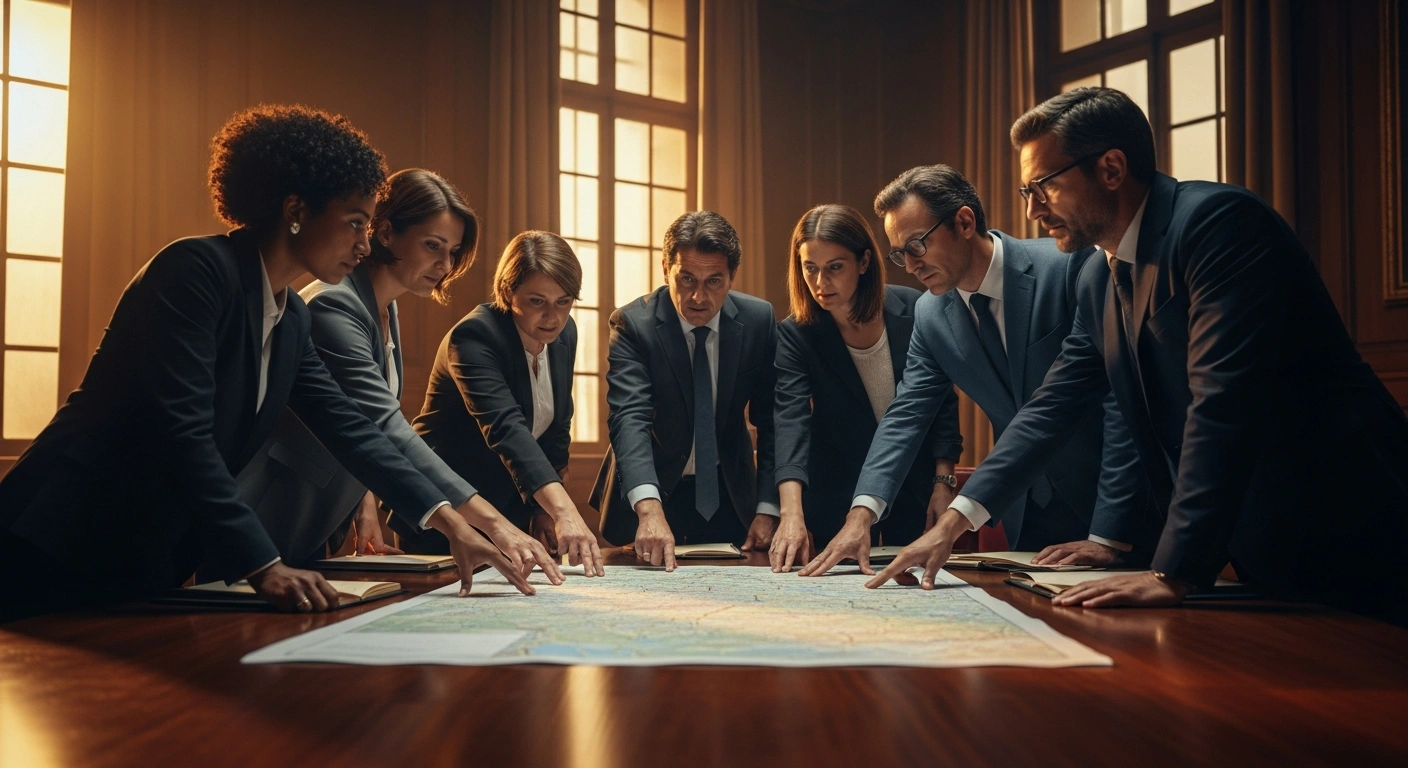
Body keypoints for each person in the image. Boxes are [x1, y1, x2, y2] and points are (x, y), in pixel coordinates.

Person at [871, 88, 1408, 623]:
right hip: (1263, 539)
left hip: (1354, 514)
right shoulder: (1098, 279)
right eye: (1026, 189)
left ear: (1110, 168)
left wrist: (1172, 571)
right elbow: (1050, 408)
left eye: (1044, 186)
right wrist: (953, 524)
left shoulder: (1219, 225)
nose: (1031, 209)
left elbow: (1222, 405)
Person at [0, 105, 522, 622]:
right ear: (296, 211)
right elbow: (182, 433)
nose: (366, 245)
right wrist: (264, 564)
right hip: (59, 533)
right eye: (355, 223)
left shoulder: (291, 316)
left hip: (142, 558)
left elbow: (351, 429)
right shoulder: (193, 271)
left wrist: (453, 526)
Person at [800, 165, 1156, 578]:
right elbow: (906, 416)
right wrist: (861, 515)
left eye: (917, 245)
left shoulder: (1069, 268)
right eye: (899, 253)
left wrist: (1108, 534)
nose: (909, 265)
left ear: (965, 222)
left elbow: (1120, 403)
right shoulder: (930, 314)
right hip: (1026, 514)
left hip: (1119, 511)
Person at [235, 168, 562, 592]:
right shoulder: (333, 305)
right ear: (385, 232)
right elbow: (385, 425)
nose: (445, 265)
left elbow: (356, 419)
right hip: (271, 508)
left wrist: (363, 505)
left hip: (318, 514)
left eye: (453, 251)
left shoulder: (385, 308)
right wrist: (492, 524)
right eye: (433, 246)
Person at [589, 211, 780, 570]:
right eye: (686, 278)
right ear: (665, 269)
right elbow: (630, 418)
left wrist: (768, 509)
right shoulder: (633, 324)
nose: (698, 296)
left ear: (732, 277)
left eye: (714, 281)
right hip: (654, 491)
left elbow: (773, 422)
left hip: (732, 496)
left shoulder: (759, 322)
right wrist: (647, 508)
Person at [413, 231, 604, 576]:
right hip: (447, 509)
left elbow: (557, 427)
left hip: (512, 508)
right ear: (507, 292)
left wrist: (543, 510)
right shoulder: (474, 335)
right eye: (536, 301)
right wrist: (565, 511)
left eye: (564, 301)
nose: (553, 317)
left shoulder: (565, 334)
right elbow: (507, 429)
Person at [771, 204, 936, 572]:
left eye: (835, 267)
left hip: (914, 483)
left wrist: (943, 480)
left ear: (863, 263)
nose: (820, 283)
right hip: (834, 494)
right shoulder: (796, 333)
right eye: (809, 268)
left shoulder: (914, 309)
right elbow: (790, 421)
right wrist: (791, 513)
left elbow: (939, 405)